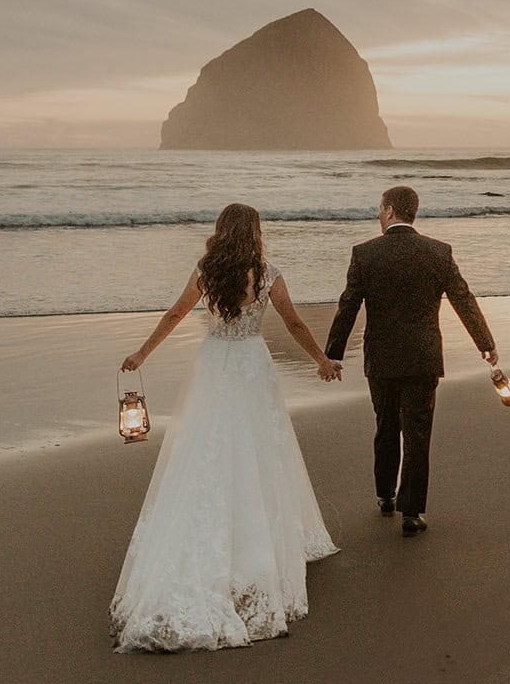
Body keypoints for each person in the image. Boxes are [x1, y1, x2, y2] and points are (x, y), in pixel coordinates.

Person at [109, 202, 341, 652]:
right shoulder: (268, 273)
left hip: (215, 364)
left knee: (207, 448)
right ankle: (262, 541)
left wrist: (141, 354)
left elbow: (175, 315)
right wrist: (321, 360)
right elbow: (293, 322)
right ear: (255, 232)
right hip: (253, 365)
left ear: (221, 231)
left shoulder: (206, 271)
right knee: (260, 449)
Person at [325, 184, 497, 536]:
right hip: (422, 356)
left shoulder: (365, 254)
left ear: (389, 211)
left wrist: (333, 354)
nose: (378, 214)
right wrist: (485, 343)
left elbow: (349, 305)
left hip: (382, 357)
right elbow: (462, 298)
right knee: (417, 433)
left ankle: (385, 495)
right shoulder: (438, 252)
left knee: (386, 426)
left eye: (379, 208)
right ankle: (412, 513)